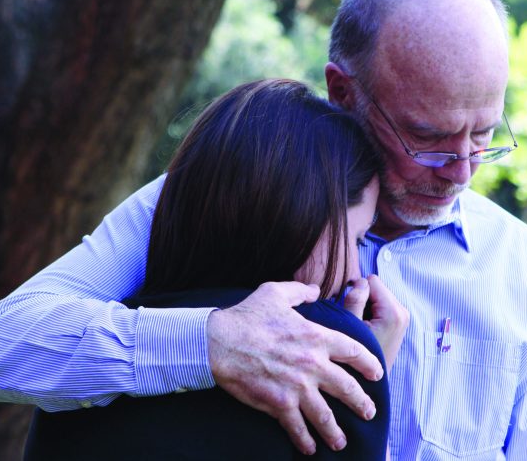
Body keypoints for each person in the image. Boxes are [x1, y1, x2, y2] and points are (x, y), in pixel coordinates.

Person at [0, 0, 527, 459]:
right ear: (344, 90)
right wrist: (211, 342)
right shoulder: (215, 198)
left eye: (484, 133)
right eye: (426, 135)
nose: (462, 169)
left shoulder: (522, 270)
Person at [22, 78, 407, 460]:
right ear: (305, 215)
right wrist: (369, 374)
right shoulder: (325, 351)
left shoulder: (79, 354)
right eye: (357, 238)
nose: (356, 272)